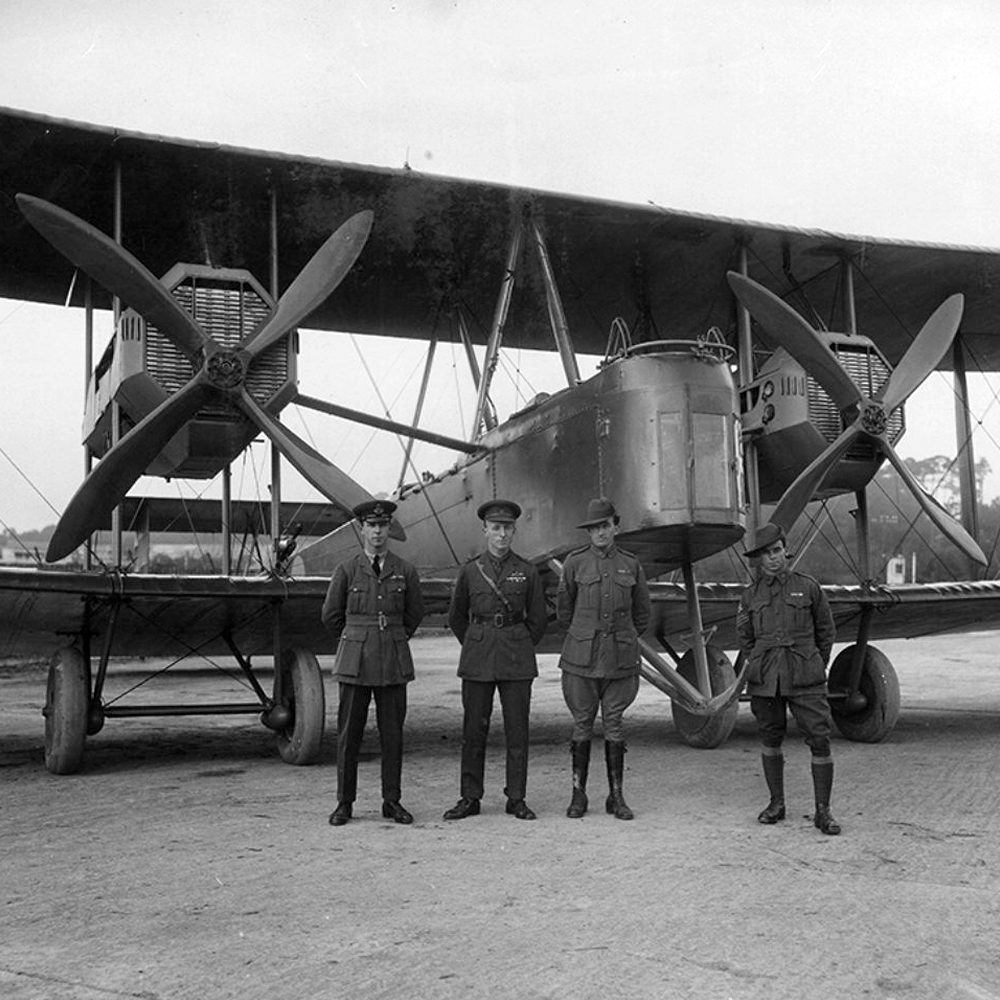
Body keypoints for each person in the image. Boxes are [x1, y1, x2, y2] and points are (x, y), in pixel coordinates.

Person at [443, 499, 548, 821]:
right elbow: (457, 617)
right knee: (474, 731)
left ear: (514, 531)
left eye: (507, 528)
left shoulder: (526, 571)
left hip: (516, 658)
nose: (502, 534)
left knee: (518, 732)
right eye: (496, 528)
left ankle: (516, 797)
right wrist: (479, 640)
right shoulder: (471, 571)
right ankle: (470, 797)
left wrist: (516, 641)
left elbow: (539, 620)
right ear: (485, 530)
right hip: (478, 657)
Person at [321, 499, 424, 827]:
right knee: (349, 734)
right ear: (361, 529)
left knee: (392, 734)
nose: (378, 532)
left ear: (389, 529)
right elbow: (331, 616)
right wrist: (357, 638)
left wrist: (391, 636)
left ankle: (391, 801)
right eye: (372, 526)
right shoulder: (347, 569)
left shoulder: (405, 570)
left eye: (383, 526)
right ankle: (344, 802)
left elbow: (413, 615)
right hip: (356, 662)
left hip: (392, 661)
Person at [736, 522, 841, 835]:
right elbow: (745, 636)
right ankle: (776, 804)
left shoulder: (808, 587)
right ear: (757, 559)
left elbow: (826, 630)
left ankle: (823, 811)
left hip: (805, 674)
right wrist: (759, 659)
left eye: (777, 550)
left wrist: (816, 662)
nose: (772, 558)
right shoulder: (749, 595)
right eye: (765, 554)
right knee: (770, 737)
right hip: (767, 676)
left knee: (819, 738)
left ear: (785, 550)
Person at [556, 497, 651, 820]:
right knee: (582, 723)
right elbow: (564, 611)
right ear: (589, 532)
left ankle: (616, 796)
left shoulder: (631, 564)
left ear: (616, 526)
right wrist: (585, 634)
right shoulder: (574, 563)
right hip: (581, 658)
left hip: (619, 659)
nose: (600, 532)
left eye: (605, 526)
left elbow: (642, 615)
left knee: (615, 723)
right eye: (594, 527)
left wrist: (622, 637)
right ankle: (578, 795)